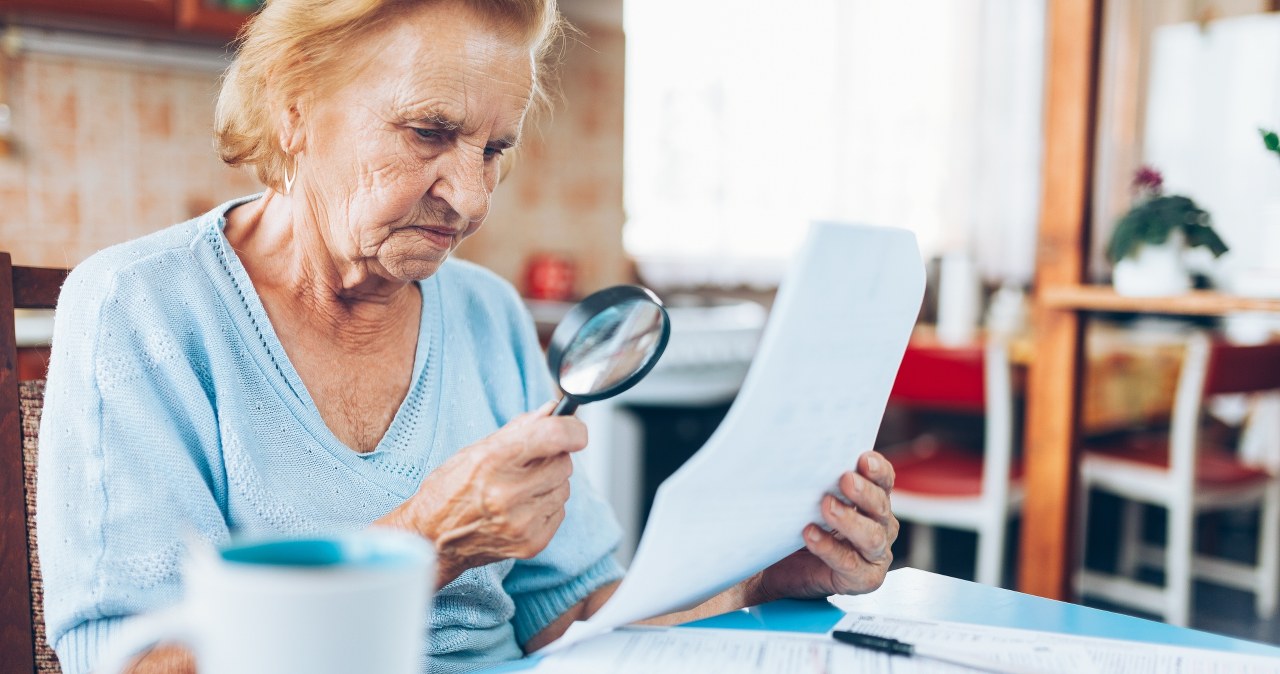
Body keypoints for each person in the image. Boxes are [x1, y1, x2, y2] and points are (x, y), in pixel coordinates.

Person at [36, 0, 900, 672]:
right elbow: (133, 664)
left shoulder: (484, 312)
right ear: (292, 107)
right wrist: (426, 544)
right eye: (429, 133)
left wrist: (754, 587)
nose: (473, 198)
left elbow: (574, 615)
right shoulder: (136, 309)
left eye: (492, 149)